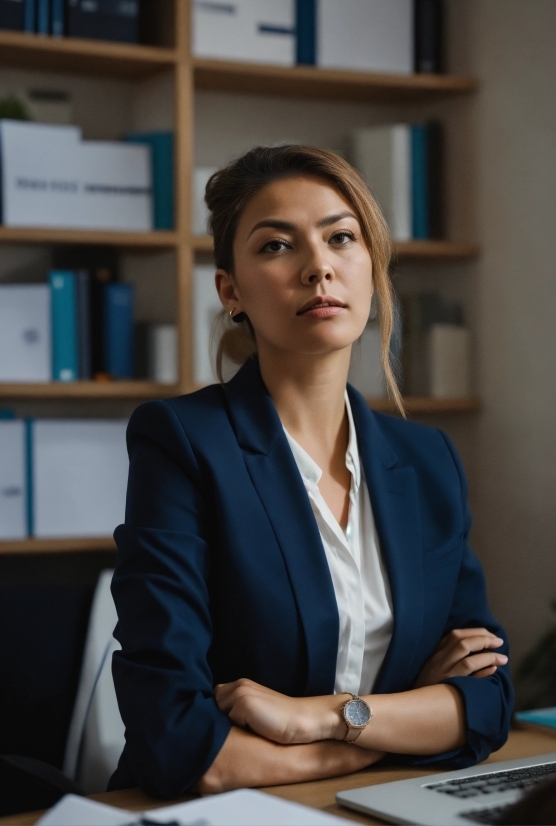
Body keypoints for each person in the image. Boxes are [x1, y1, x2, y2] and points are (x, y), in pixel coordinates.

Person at [108, 145, 514, 799]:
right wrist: (400, 716)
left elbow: (488, 701)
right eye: (276, 246)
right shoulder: (183, 443)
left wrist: (315, 718)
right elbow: (179, 742)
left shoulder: (427, 460)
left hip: (382, 806)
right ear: (230, 290)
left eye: (342, 238)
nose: (319, 267)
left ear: (372, 269)